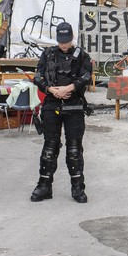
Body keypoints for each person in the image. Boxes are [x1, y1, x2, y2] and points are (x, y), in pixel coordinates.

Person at [30, 22, 94, 203]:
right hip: (52, 105)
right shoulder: (48, 54)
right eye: (61, 41)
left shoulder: (82, 55)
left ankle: (78, 188)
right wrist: (51, 89)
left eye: (66, 41)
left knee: (74, 149)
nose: (64, 44)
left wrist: (70, 88)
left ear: (72, 37)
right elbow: (38, 77)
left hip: (74, 106)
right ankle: (44, 186)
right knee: (50, 147)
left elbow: (87, 76)